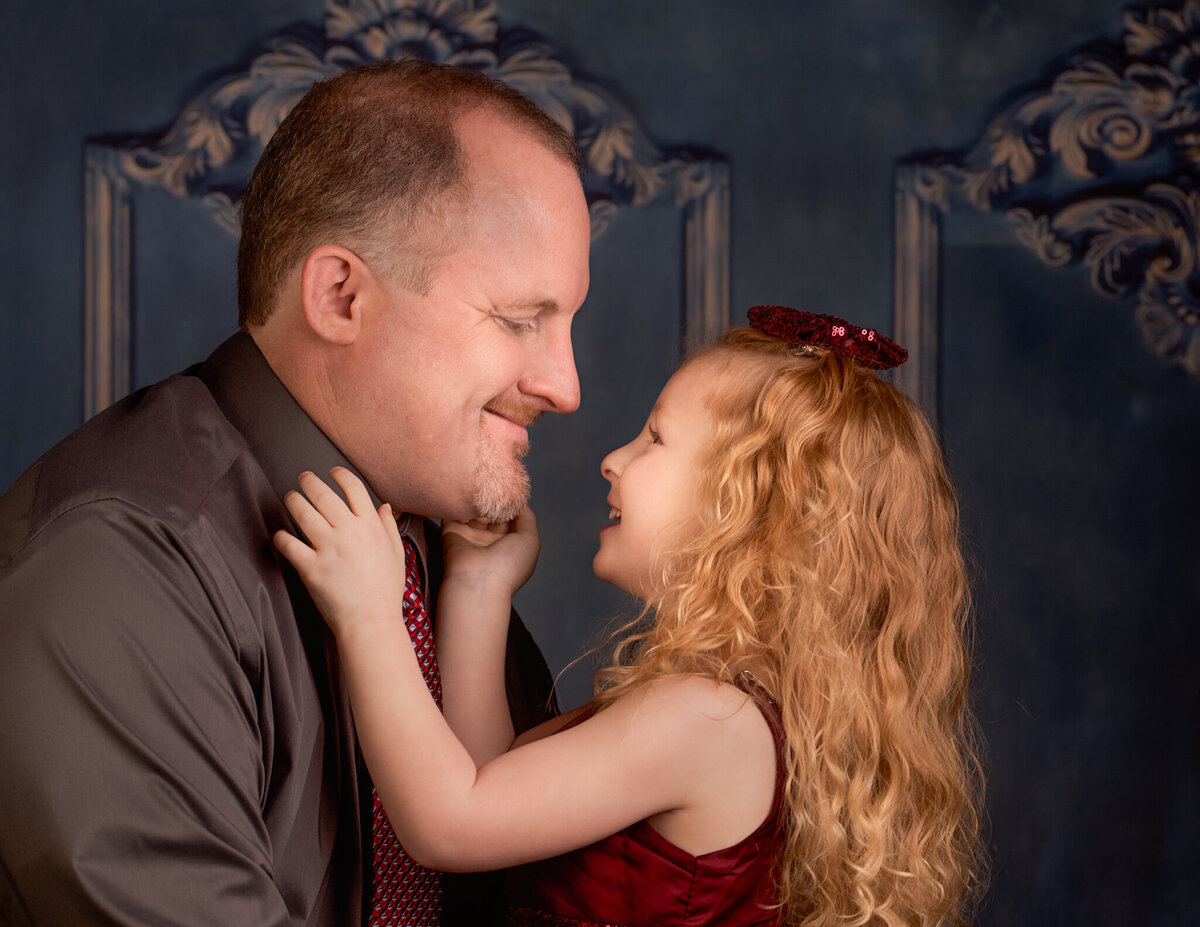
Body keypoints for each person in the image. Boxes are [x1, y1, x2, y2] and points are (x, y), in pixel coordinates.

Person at [0, 58, 591, 926]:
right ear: (341, 296)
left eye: (568, 323)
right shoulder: (117, 570)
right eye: (518, 321)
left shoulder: (451, 561)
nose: (566, 386)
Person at [273, 305, 989, 927]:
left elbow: (448, 822)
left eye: (655, 439)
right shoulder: (728, 712)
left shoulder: (707, 721)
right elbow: (488, 783)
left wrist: (370, 613)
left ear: (750, 513)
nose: (615, 459)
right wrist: (478, 590)